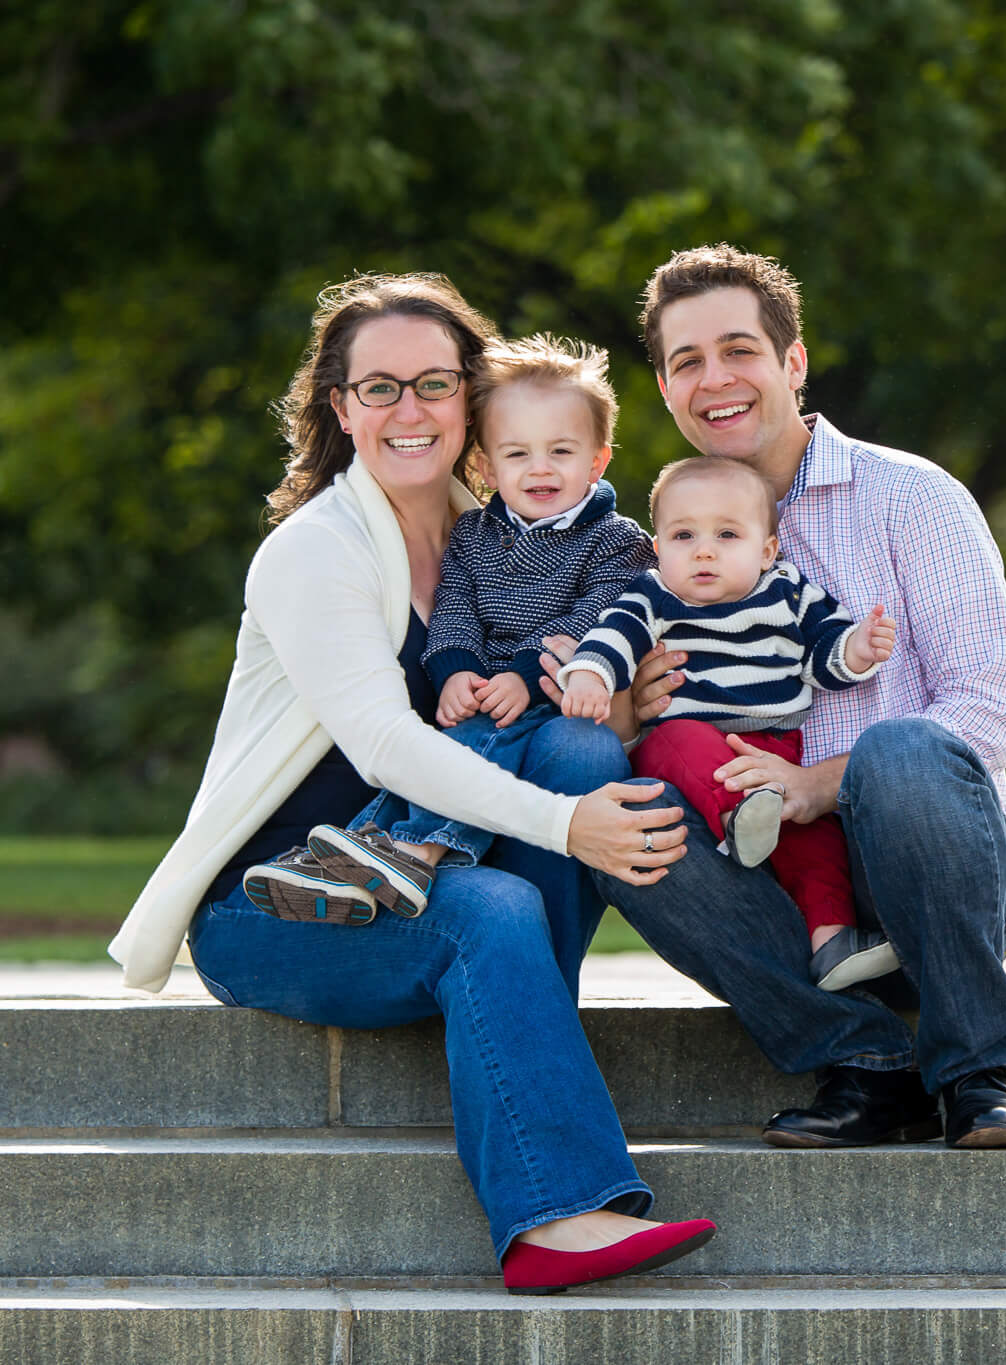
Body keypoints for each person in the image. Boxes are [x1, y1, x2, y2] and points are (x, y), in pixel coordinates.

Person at [107, 273, 715, 1293]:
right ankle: (554, 1220)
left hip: (422, 871)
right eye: (377, 387)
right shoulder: (315, 552)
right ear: (340, 408)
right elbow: (389, 747)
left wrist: (614, 691)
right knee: (491, 906)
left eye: (432, 383)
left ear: (469, 402)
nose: (406, 410)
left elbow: (558, 721)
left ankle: (517, 1033)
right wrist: (568, 828)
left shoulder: (508, 529)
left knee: (576, 754)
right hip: (278, 903)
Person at [572, 244, 1006, 1150]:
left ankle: (979, 1071)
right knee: (606, 816)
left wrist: (819, 782)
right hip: (776, 902)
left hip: (938, 887)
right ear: (665, 392)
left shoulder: (913, 497)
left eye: (739, 349)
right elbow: (630, 719)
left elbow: (988, 709)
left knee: (900, 749)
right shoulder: (666, 546)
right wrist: (624, 706)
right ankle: (865, 1064)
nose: (716, 379)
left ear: (792, 362)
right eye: (686, 362)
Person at [257, 334, 654, 916]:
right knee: (456, 743)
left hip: (551, 693)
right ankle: (372, 853)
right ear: (489, 467)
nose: (539, 469)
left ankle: (415, 855)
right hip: (486, 691)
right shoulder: (473, 532)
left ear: (598, 459)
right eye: (517, 455)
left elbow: (600, 612)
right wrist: (455, 669)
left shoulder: (617, 540)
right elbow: (456, 606)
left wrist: (523, 673)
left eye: (561, 453)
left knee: (483, 745)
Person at [555, 454, 902, 991]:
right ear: (658, 548)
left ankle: (831, 939)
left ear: (767, 551)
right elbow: (613, 636)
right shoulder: (654, 595)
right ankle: (741, 816)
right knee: (683, 737)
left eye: (727, 534)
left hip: (773, 751)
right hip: (685, 742)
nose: (705, 550)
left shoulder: (788, 593)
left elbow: (822, 658)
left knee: (815, 840)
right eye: (684, 535)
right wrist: (590, 675)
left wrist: (857, 649)